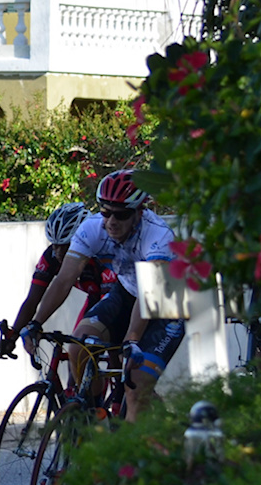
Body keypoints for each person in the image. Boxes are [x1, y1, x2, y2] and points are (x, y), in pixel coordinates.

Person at [18, 171, 185, 422]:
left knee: (135, 385)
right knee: (78, 347)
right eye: (106, 212)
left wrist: (132, 339)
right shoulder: (93, 228)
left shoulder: (158, 236)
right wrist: (36, 323)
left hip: (165, 304)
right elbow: (64, 279)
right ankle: (95, 418)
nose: (112, 221)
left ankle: (134, 458)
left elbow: (148, 296)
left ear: (139, 212)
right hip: (127, 293)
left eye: (121, 214)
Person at [0, 201, 108, 364]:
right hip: (95, 296)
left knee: (89, 350)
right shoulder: (51, 257)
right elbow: (32, 300)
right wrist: (13, 335)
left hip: (113, 296)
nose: (59, 252)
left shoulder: (100, 257)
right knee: (76, 361)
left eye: (66, 246)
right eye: (55, 245)